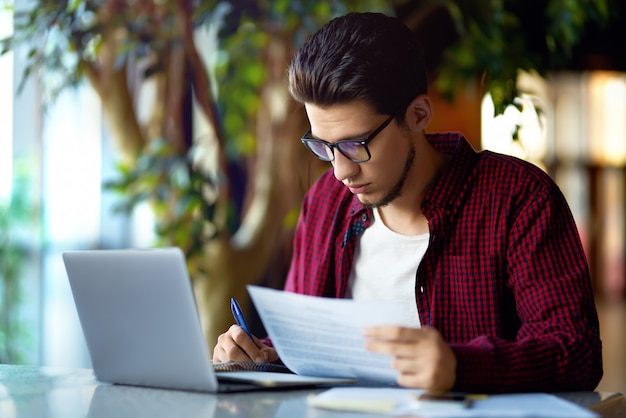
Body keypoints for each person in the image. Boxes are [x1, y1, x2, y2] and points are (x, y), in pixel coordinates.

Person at [212, 11, 603, 393]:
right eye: (324, 147)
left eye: (355, 145)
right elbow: (302, 347)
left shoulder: (517, 197)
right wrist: (258, 355)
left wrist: (460, 366)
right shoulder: (325, 202)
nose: (340, 171)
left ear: (417, 115)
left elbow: (576, 353)